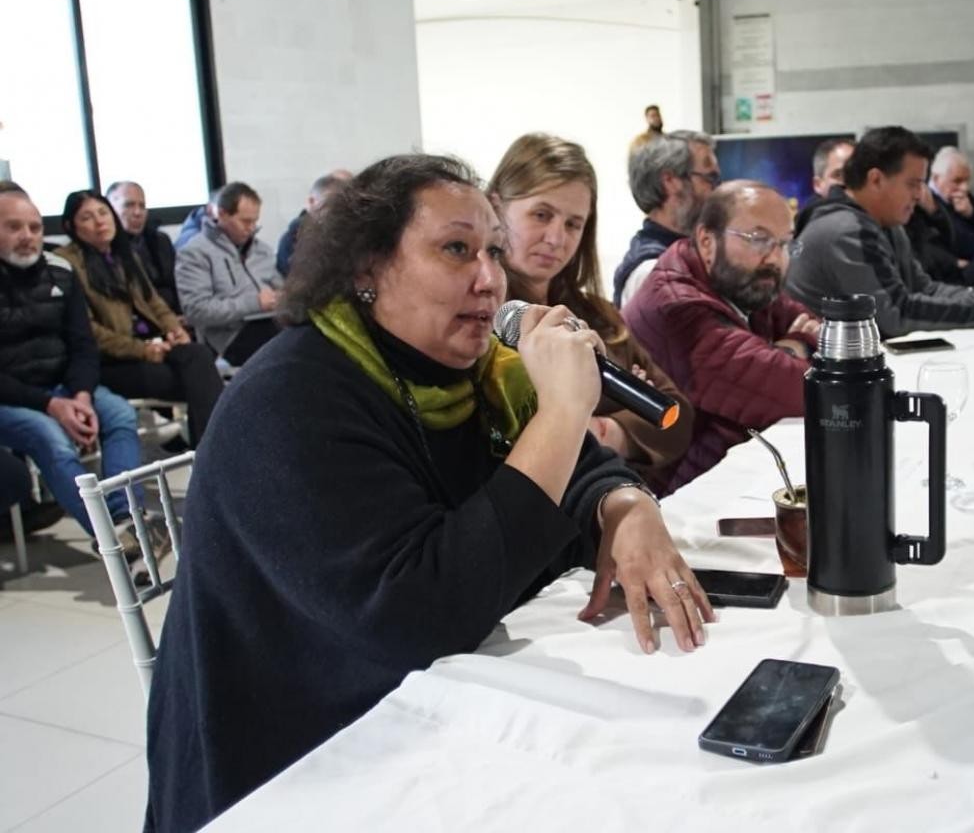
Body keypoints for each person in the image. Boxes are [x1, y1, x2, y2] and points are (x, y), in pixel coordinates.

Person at [145, 154, 714, 831]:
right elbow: (423, 613)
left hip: (439, 711)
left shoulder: (476, 373)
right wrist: (564, 413)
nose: (490, 279)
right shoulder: (290, 400)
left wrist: (625, 506)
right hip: (302, 758)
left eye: (493, 251)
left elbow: (582, 472)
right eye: (456, 250)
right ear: (367, 268)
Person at [489, 133, 694, 491]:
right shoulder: (481, 323)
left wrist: (605, 431)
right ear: (496, 207)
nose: (556, 238)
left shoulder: (598, 314)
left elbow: (676, 417)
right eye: (541, 215)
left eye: (573, 224)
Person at [623, 180, 820, 493]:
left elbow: (815, 325)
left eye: (784, 244)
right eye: (758, 239)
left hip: (728, 474)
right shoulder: (677, 307)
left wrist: (786, 348)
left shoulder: (739, 282)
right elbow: (799, 390)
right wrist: (800, 344)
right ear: (706, 240)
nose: (774, 258)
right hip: (676, 497)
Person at [787, 127, 974, 339]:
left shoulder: (886, 223)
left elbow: (924, 288)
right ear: (876, 179)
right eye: (912, 184)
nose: (919, 195)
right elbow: (894, 315)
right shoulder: (845, 229)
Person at [0, 187, 144, 541]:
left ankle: (127, 519)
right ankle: (110, 538)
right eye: (14, 227)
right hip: (13, 398)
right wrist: (50, 405)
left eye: (35, 228)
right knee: (51, 438)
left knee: (120, 414)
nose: (27, 236)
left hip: (64, 386)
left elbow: (83, 345)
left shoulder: (61, 271)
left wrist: (81, 396)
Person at [56, 191, 223, 446]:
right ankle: (213, 449)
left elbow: (153, 301)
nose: (100, 222)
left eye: (103, 213)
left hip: (153, 344)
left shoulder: (123, 254)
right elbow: (90, 331)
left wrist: (175, 329)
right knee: (199, 381)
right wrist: (142, 349)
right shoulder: (67, 262)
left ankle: (209, 448)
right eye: (87, 218)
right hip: (112, 360)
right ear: (71, 226)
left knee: (198, 355)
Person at [174, 181, 284, 365]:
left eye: (255, 221)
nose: (251, 228)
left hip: (272, 321)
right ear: (222, 215)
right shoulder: (195, 253)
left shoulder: (261, 250)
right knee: (286, 348)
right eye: (245, 221)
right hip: (231, 335)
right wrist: (255, 303)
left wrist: (286, 296)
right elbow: (196, 311)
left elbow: (279, 286)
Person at [612, 130, 719, 308]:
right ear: (670, 181)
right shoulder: (651, 272)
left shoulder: (687, 254)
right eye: (710, 178)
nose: (717, 190)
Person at [106, 181, 182, 313]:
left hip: (173, 314)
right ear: (109, 209)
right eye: (129, 205)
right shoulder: (106, 247)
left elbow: (178, 284)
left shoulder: (160, 240)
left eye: (142, 206)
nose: (138, 212)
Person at [275, 169, 353, 276]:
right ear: (312, 202)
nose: (337, 211)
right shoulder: (292, 239)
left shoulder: (353, 233)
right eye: (331, 204)